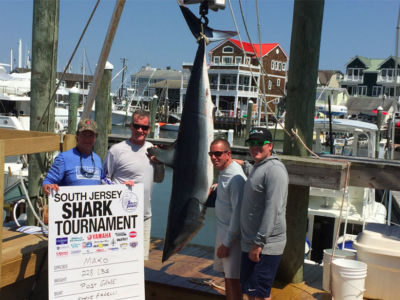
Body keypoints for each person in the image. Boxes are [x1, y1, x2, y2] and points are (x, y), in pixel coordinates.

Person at [103, 110, 164, 260]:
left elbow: (159, 179)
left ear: (149, 129)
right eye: (136, 126)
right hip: (120, 217)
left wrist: (160, 163)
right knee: (118, 258)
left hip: (144, 215)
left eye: (144, 128)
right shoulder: (116, 150)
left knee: (140, 261)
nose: (140, 130)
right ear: (130, 126)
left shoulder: (152, 150)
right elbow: (103, 179)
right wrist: (120, 188)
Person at [239, 128, 289, 300]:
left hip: (264, 245)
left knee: (260, 295)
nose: (255, 147)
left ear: (270, 146)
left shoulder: (275, 170)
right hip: (250, 242)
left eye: (260, 143)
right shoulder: (258, 166)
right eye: (251, 143)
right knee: (250, 292)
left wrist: (259, 243)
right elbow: (253, 175)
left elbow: (272, 209)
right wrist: (237, 163)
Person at [209, 139, 246, 300]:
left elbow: (239, 214)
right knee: (226, 276)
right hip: (222, 231)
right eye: (211, 154)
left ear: (228, 154)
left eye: (218, 154)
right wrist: (218, 187)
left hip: (233, 238)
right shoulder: (225, 171)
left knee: (233, 280)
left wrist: (227, 243)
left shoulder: (236, 178)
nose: (214, 157)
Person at [43, 118, 105, 195]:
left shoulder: (97, 159)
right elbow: (48, 181)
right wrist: (48, 186)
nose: (87, 139)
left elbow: (104, 181)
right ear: (77, 136)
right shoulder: (63, 158)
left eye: (91, 135)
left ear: (95, 138)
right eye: (84, 135)